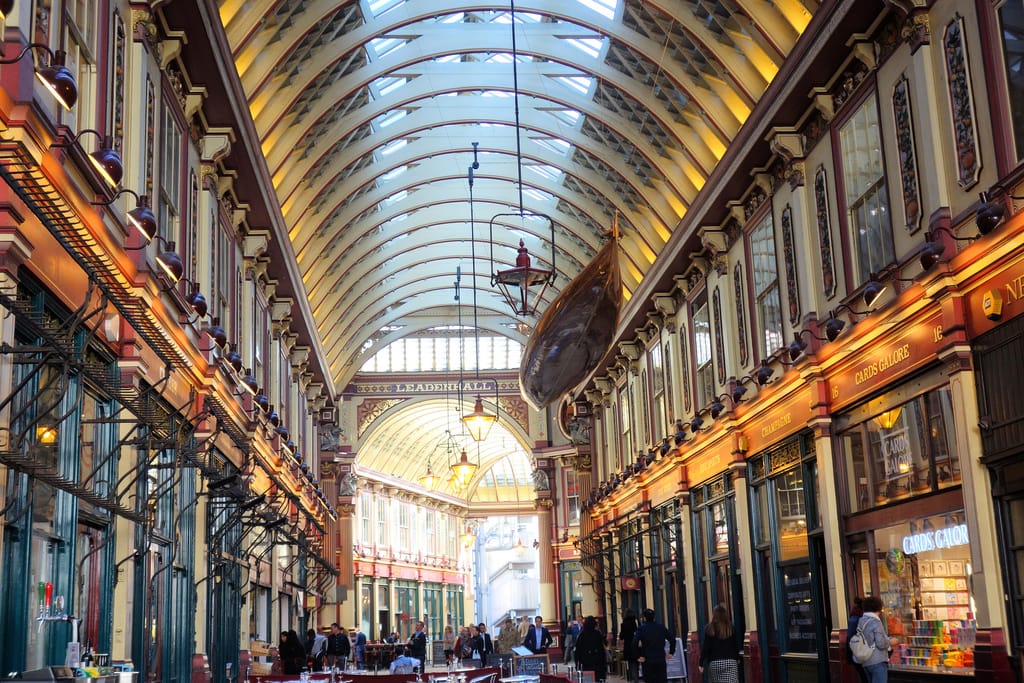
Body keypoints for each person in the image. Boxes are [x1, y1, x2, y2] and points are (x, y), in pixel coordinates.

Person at [698, 605, 741, 683]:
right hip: (730, 662)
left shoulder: (709, 628)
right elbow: (735, 645)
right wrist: (737, 658)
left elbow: (706, 648)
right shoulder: (731, 628)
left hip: (715, 663)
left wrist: (701, 663)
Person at [633, 609, 674, 683]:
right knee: (661, 680)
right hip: (660, 658)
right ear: (654, 617)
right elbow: (672, 639)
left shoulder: (642, 628)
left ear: (644, 618)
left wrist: (638, 656)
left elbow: (634, 643)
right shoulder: (661, 627)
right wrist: (671, 652)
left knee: (649, 680)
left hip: (647, 659)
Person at [858, 596, 893, 682]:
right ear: (879, 607)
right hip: (877, 661)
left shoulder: (862, 620)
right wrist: (890, 641)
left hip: (866, 661)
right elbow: (880, 643)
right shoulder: (875, 621)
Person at [573, 616, 608, 682]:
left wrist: (577, 662)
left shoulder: (582, 635)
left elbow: (578, 650)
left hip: (586, 662)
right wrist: (604, 664)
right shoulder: (597, 634)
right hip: (597, 662)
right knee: (597, 678)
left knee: (588, 679)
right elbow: (601, 649)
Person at [847, 597, 869, 683]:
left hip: (861, 651)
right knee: (865, 677)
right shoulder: (856, 617)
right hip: (860, 652)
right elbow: (851, 636)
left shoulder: (857, 616)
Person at [618, 610, 639, 683]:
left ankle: (632, 679)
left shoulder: (624, 624)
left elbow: (621, 636)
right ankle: (636, 677)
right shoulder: (636, 623)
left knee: (630, 663)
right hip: (636, 646)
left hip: (628, 647)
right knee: (636, 663)